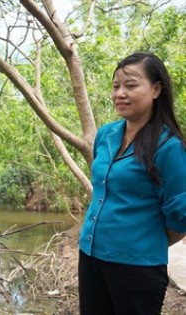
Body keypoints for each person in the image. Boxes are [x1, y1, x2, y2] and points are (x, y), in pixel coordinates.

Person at [78, 52, 186, 315]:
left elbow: (181, 216)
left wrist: (143, 241)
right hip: (91, 256)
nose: (120, 93)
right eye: (116, 86)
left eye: (131, 85)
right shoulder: (106, 134)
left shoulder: (168, 146)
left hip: (138, 269)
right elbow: (103, 189)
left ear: (156, 89)